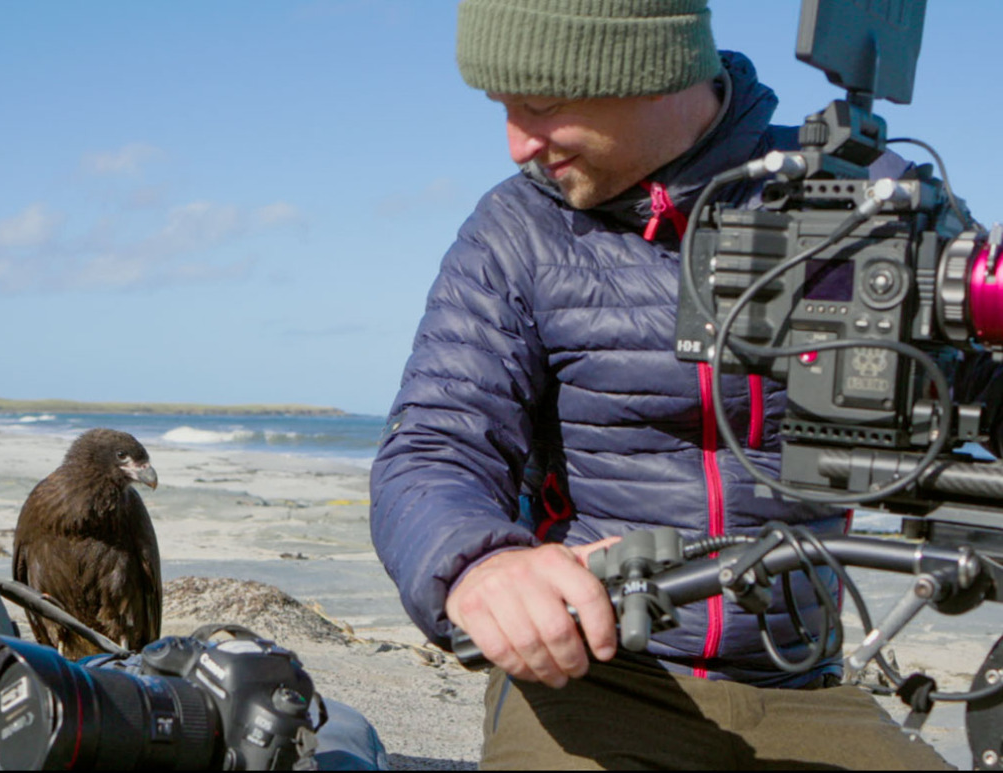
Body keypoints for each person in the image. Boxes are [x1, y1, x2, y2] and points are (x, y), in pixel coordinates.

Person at [370, 1, 958, 768]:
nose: (517, 143)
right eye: (503, 108)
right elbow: (433, 443)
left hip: (809, 683)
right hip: (597, 674)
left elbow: (968, 396)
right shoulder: (514, 232)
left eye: (543, 106)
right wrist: (478, 564)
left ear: (650, 73)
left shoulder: (868, 196)